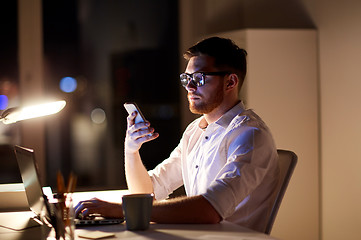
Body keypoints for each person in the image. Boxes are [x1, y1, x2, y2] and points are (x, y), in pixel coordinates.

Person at [75, 37, 279, 232]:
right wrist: (131, 150)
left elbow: (210, 209)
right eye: (186, 78)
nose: (189, 87)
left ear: (230, 82)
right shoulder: (195, 131)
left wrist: (121, 210)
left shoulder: (250, 135)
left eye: (199, 78)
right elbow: (148, 193)